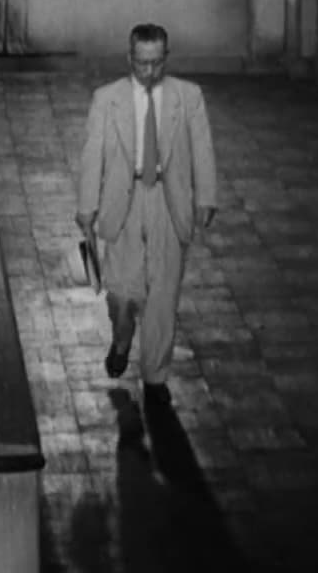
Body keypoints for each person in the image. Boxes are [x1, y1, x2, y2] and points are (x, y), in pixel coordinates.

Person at [76, 23, 218, 408]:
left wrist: (206, 197)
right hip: (123, 200)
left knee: (162, 294)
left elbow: (202, 149)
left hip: (168, 201)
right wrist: (86, 207)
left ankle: (155, 377)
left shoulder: (188, 97)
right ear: (130, 58)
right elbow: (92, 156)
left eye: (157, 63)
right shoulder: (107, 99)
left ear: (165, 58)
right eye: (142, 63)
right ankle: (122, 339)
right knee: (122, 294)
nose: (150, 71)